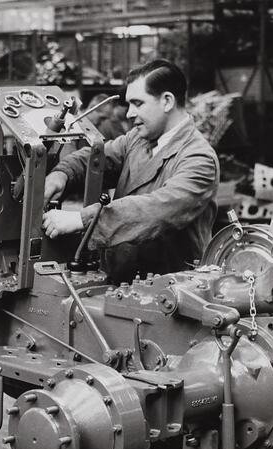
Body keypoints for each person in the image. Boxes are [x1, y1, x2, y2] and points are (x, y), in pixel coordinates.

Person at [42, 59, 219, 282]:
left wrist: (81, 219)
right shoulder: (138, 139)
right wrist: (62, 175)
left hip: (171, 295)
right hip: (121, 283)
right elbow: (96, 158)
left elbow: (157, 210)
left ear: (167, 101)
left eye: (138, 103)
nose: (129, 113)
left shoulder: (198, 159)